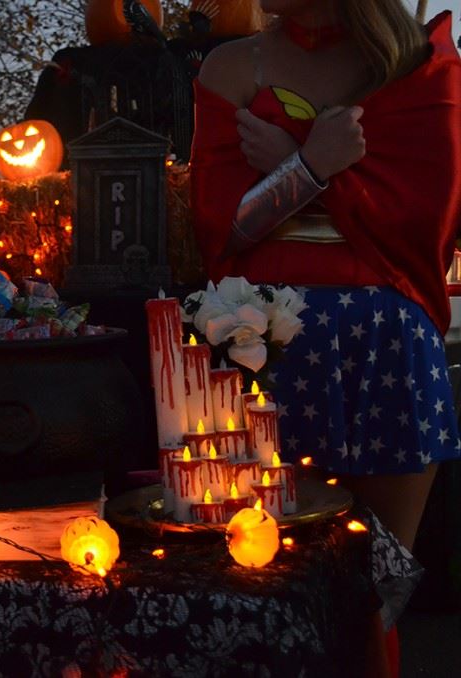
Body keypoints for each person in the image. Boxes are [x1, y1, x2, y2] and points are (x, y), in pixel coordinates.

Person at [192, 4, 461, 671]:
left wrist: (293, 166)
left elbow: (432, 215)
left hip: (389, 348)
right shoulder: (232, 67)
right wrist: (312, 165)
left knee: (379, 579)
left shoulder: (419, 66)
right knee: (257, 571)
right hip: (261, 345)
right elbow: (223, 229)